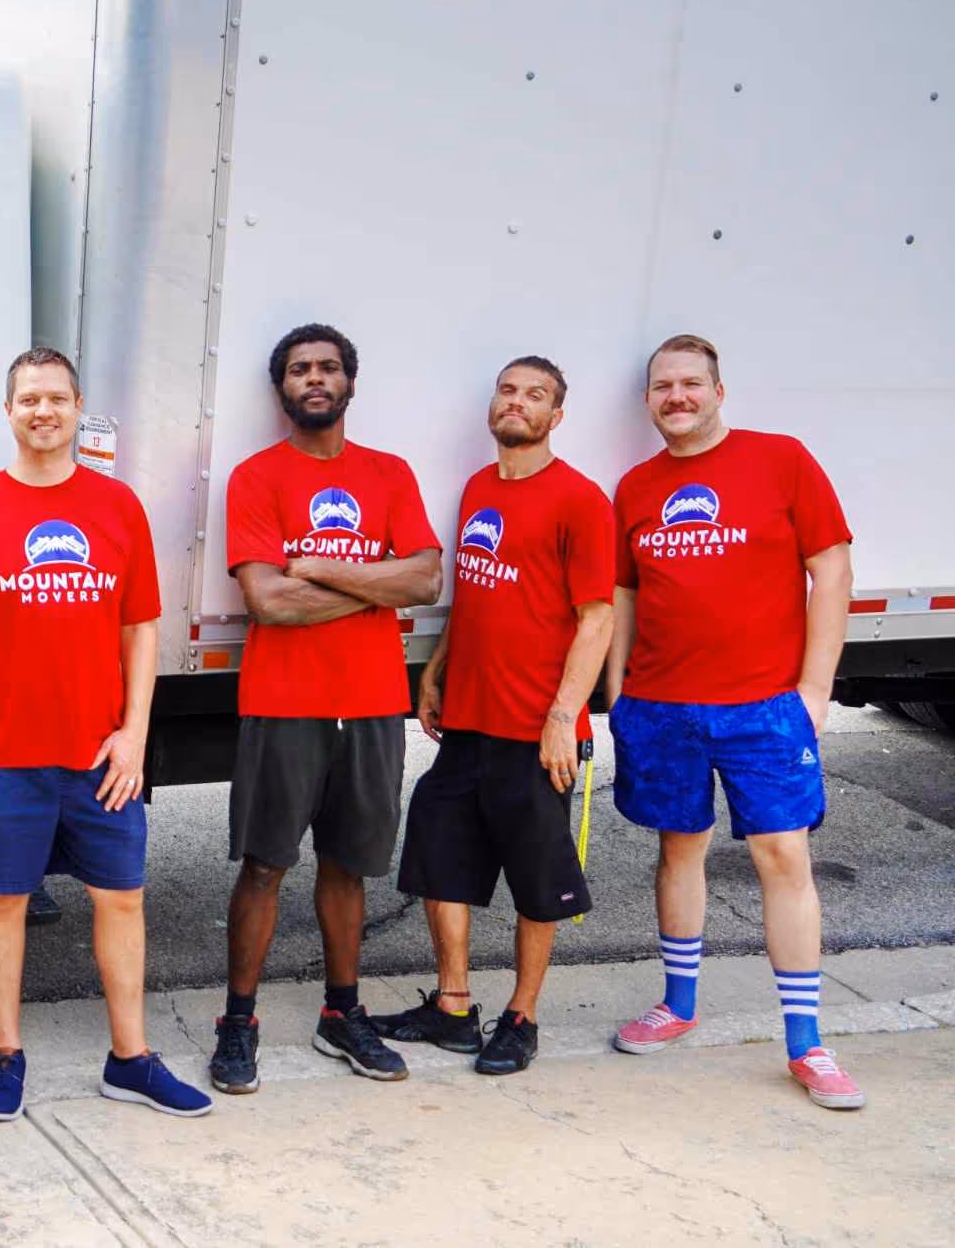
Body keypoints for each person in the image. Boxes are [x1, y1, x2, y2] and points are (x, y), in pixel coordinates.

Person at [0, 346, 212, 1122]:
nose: (43, 411)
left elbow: (141, 630)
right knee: (2, 902)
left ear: (78, 410)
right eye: (29, 399)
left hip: (98, 753)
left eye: (57, 399)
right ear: (8, 411)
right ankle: (7, 1053)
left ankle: (131, 1060)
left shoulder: (117, 507)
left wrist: (134, 734)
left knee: (121, 898)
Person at [605, 334, 861, 1109]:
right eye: (662, 387)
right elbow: (624, 593)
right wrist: (619, 692)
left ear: (718, 392)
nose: (676, 397)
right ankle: (678, 1006)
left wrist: (814, 688)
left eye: (691, 383)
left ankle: (806, 1044)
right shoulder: (636, 486)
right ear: (648, 401)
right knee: (678, 849)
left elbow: (832, 568)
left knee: (784, 857)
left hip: (764, 706)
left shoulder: (780, 459)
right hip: (661, 705)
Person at [210, 323, 443, 1093]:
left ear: (350, 383)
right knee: (264, 866)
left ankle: (341, 1014)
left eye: (329, 367)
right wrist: (375, 580)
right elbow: (270, 602)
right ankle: (238, 1023)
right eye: (300, 369)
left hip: (372, 702)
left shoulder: (389, 473)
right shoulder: (256, 476)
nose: (315, 378)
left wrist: (315, 565)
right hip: (284, 702)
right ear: (282, 387)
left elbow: (425, 581)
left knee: (348, 868)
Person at [368, 357, 613, 1075]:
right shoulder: (478, 487)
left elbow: (596, 618)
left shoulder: (579, 499)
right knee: (440, 858)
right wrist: (437, 670)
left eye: (535, 395)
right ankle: (453, 1008)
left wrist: (563, 716)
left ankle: (522, 1016)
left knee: (537, 881)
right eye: (508, 390)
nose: (517, 402)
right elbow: (475, 598)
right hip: (469, 721)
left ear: (555, 417)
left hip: (535, 730)